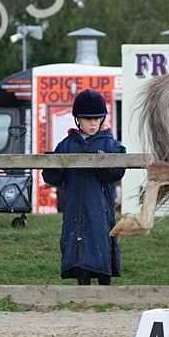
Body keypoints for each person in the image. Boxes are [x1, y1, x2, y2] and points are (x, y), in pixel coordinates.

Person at [41, 89, 127, 286]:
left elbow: (117, 172)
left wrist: (100, 163)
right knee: (76, 243)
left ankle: (105, 285)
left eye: (97, 119)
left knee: (101, 240)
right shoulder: (67, 144)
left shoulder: (110, 144)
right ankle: (82, 285)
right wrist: (49, 162)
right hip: (74, 206)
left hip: (100, 206)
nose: (93, 123)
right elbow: (54, 177)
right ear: (78, 119)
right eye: (88, 119)